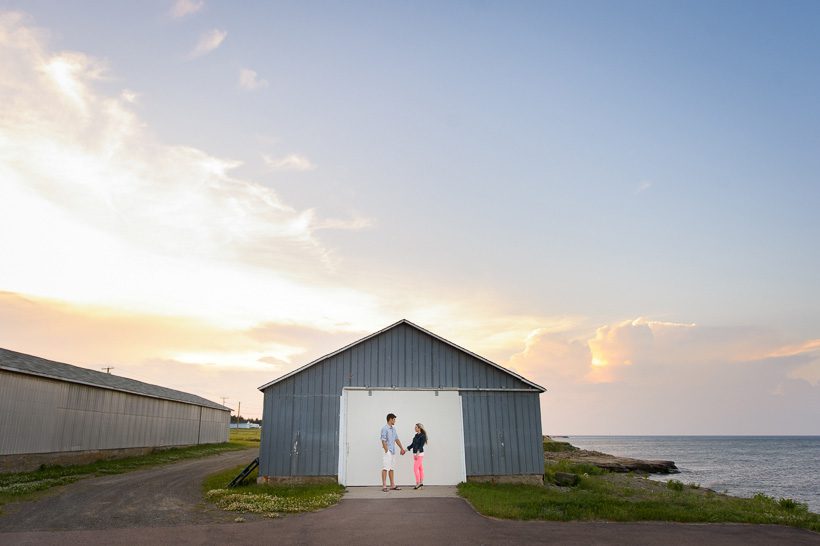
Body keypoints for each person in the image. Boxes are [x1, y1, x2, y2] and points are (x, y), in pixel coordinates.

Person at [379, 413, 406, 492]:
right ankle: (384, 486)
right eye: (394, 419)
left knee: (391, 468)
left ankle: (392, 485)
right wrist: (386, 450)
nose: (395, 421)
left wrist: (401, 448)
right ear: (390, 419)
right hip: (388, 451)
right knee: (385, 468)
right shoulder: (384, 428)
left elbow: (396, 439)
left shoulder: (394, 429)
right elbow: (383, 440)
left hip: (393, 451)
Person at [406, 422, 428, 489]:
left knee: (415, 468)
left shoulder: (423, 436)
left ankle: (418, 483)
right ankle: (421, 483)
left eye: (416, 427)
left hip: (419, 454)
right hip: (415, 453)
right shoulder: (416, 436)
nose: (414, 428)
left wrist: (417, 454)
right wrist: (405, 450)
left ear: (419, 428)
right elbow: (412, 445)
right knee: (420, 468)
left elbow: (421, 446)